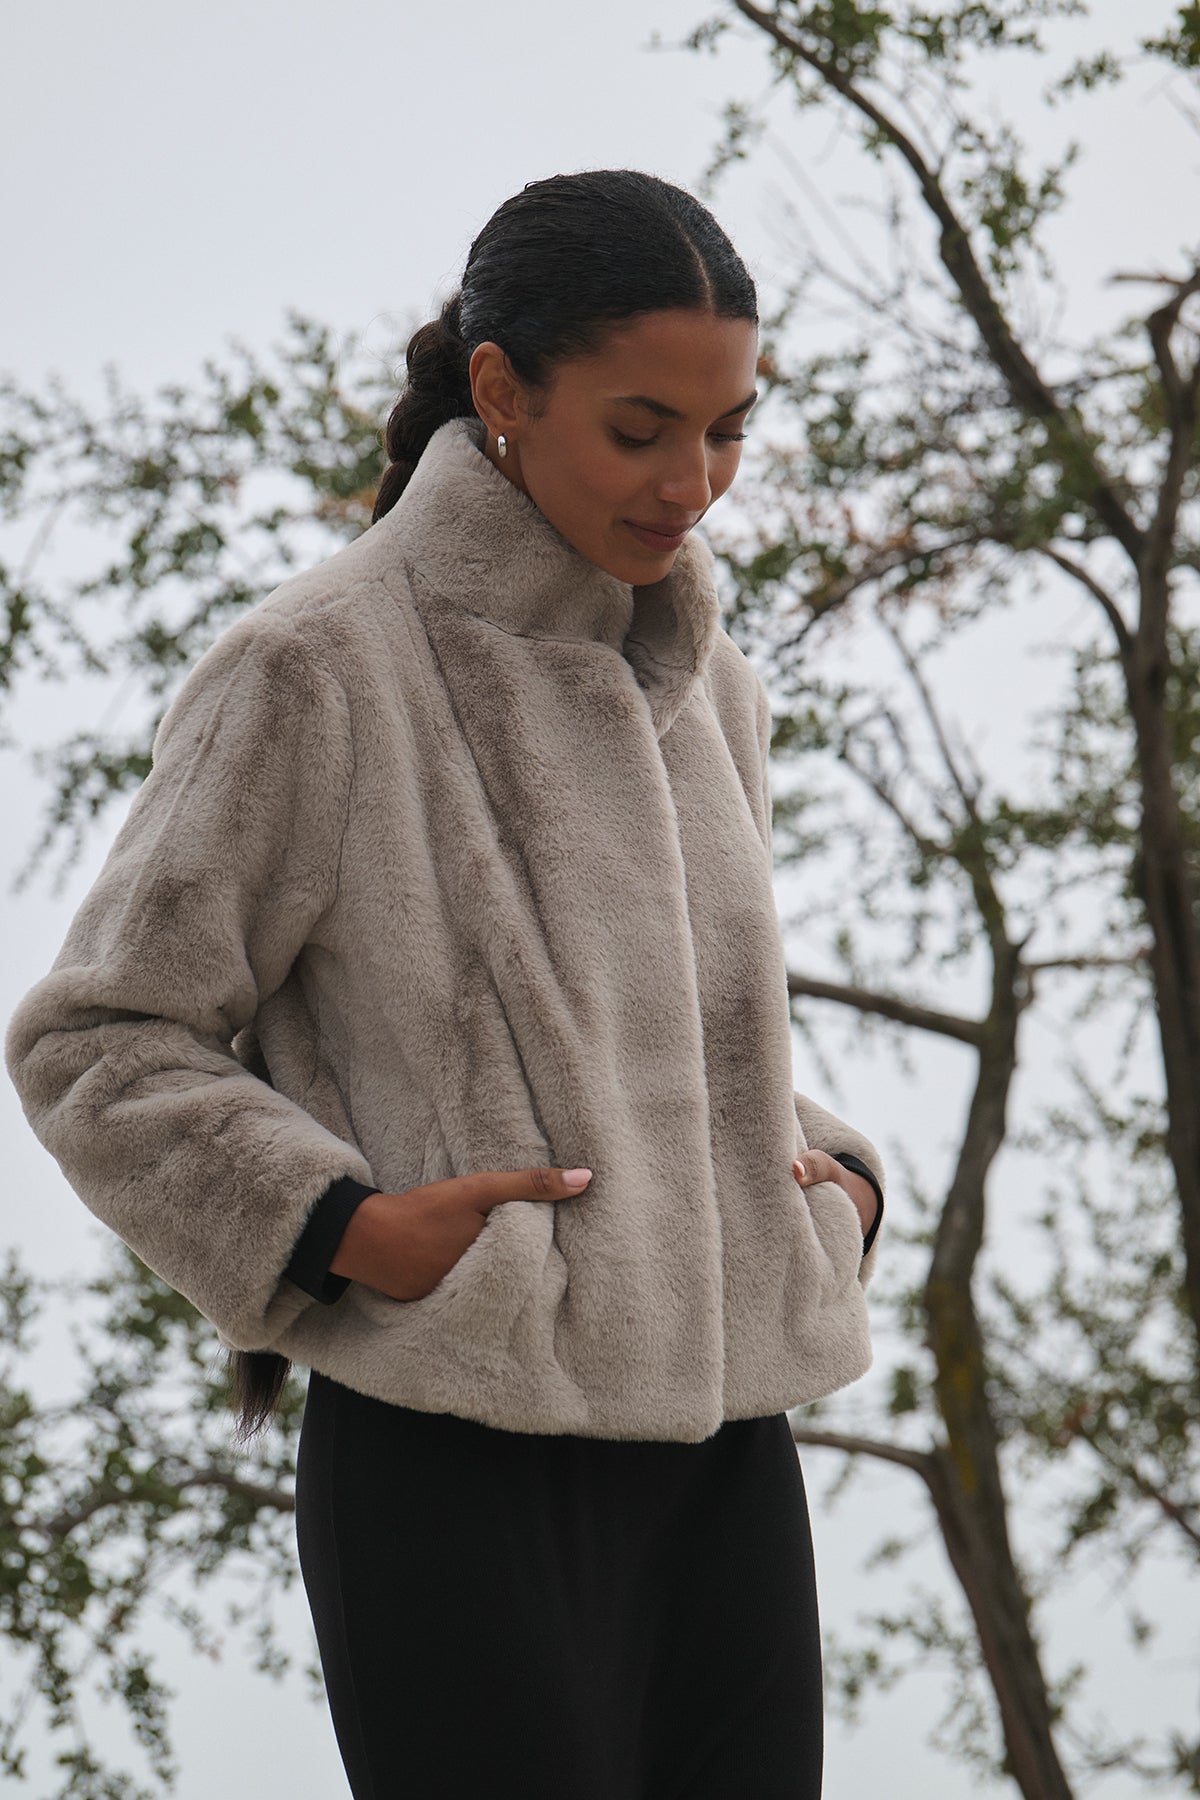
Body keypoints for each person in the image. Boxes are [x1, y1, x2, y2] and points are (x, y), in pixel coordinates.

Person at [5, 169, 885, 1799]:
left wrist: (830, 1182)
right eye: (641, 429)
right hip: (455, 1446)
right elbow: (98, 1041)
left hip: (724, 1458)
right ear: (501, 392)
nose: (694, 482)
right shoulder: (315, 668)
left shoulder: (713, 692)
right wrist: (335, 1229)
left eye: (729, 430)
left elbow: (687, 1031)